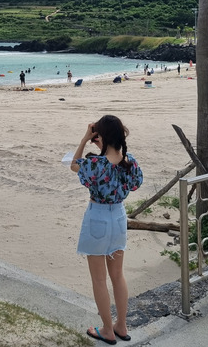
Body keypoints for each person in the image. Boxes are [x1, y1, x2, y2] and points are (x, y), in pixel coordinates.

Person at [70, 115, 143, 345]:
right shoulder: (130, 162)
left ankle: (108, 329)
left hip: (98, 217)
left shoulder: (95, 165)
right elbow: (135, 183)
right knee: (117, 275)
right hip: (119, 217)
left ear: (100, 135)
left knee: (99, 279)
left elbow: (74, 165)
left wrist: (84, 139)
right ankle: (122, 324)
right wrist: (105, 145)